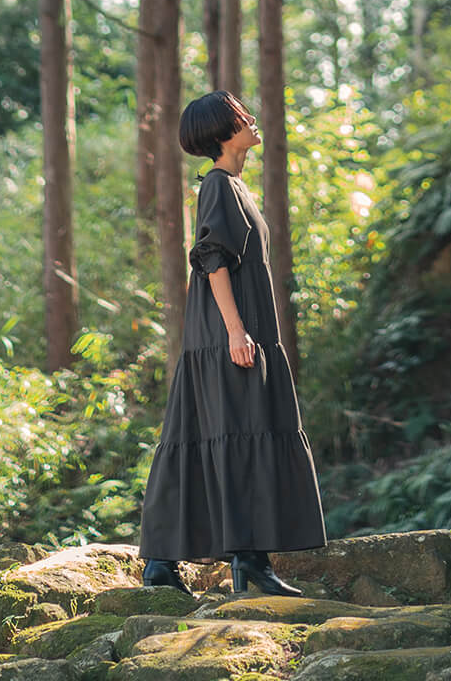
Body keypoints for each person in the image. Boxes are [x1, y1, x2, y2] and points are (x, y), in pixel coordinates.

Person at [138, 90, 326, 596]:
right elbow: (212, 258)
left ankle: (163, 564)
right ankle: (250, 562)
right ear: (224, 133)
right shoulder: (220, 185)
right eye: (243, 118)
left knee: (206, 438)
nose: (253, 122)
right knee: (242, 432)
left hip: (226, 335)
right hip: (229, 335)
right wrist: (235, 331)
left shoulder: (233, 186)